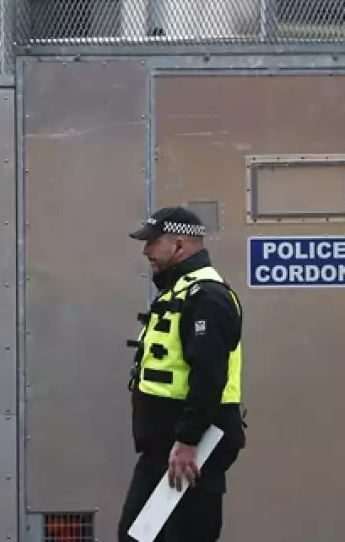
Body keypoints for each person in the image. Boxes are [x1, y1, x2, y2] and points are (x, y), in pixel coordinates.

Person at [117, 205, 246, 542]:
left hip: (190, 447)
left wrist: (188, 439)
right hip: (168, 447)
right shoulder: (182, 290)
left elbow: (209, 374)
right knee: (143, 535)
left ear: (178, 245)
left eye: (152, 242)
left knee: (176, 535)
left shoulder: (206, 296)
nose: (146, 251)